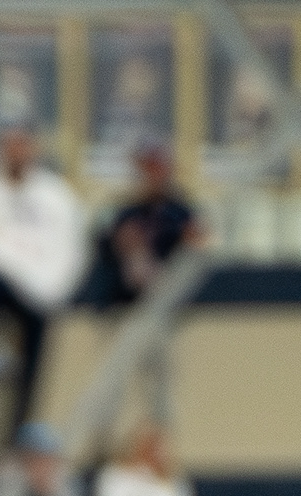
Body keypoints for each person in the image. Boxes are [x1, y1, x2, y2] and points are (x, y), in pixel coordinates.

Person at [0, 124, 90, 433]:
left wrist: (49, 288)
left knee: (32, 371)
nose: (16, 153)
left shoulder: (56, 195)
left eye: (22, 146)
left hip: (42, 294)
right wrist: (15, 273)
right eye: (9, 146)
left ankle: (20, 429)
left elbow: (72, 249)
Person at [80, 143, 207, 428]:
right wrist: (122, 244)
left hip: (158, 312)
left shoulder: (181, 213)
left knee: (159, 382)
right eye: (146, 170)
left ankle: (159, 440)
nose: (152, 177)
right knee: (112, 381)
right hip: (123, 308)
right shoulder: (124, 212)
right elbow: (100, 247)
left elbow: (197, 251)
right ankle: (103, 439)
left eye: (157, 169)